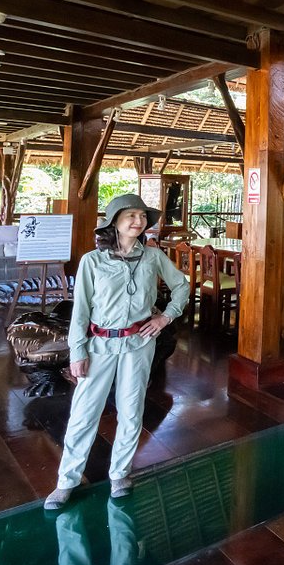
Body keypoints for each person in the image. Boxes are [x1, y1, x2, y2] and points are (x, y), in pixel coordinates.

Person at [44, 194, 189, 510]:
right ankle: (66, 482)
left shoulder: (152, 256)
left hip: (139, 344)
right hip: (100, 346)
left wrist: (165, 316)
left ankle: (120, 474)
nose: (138, 221)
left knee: (131, 410)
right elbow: (80, 311)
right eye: (131, 215)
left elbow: (182, 285)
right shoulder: (92, 261)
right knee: (84, 415)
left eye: (142, 216)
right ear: (114, 222)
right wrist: (77, 352)